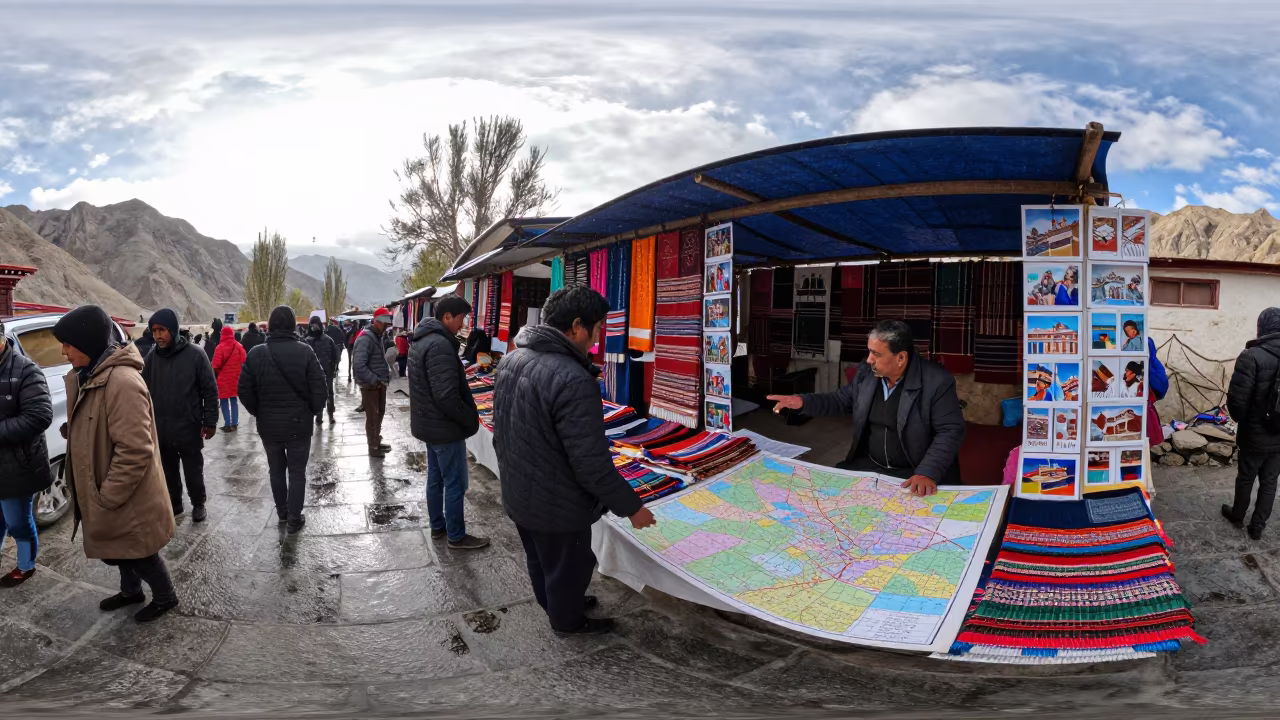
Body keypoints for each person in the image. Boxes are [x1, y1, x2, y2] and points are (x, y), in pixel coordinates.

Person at [494, 286, 656, 635]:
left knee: (541, 560)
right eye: (598, 329)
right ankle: (567, 621)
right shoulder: (572, 378)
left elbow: (502, 432)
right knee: (568, 564)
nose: (598, 338)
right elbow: (591, 463)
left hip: (521, 491)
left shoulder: (512, 360)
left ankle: (557, 603)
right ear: (578, 326)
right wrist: (632, 507)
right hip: (557, 502)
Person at [53, 305, 179, 622]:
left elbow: (135, 448)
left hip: (127, 493)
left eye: (68, 343)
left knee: (141, 550)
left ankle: (166, 597)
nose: (63, 351)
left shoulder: (122, 382)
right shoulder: (88, 376)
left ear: (87, 344)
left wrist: (108, 494)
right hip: (105, 484)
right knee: (121, 547)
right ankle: (131, 591)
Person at [768, 320, 965, 495]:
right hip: (871, 464)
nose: (869, 359)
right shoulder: (867, 373)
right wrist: (802, 402)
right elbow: (841, 400)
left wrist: (927, 472)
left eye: (876, 354)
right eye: (869, 351)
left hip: (913, 470)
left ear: (901, 358)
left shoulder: (937, 381)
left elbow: (950, 430)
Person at [238, 306, 327, 533]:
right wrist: (313, 411)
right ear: (292, 325)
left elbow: (244, 389)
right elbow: (320, 387)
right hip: (299, 424)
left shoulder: (256, 354)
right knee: (297, 472)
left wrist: (258, 411)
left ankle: (283, 512)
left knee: (276, 470)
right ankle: (295, 519)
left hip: (269, 425)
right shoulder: (305, 351)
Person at [408, 296, 488, 550]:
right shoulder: (440, 345)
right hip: (444, 428)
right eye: (461, 319)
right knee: (454, 483)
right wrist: (468, 418)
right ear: (447, 318)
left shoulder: (422, 341)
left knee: (436, 478)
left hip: (430, 425)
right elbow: (446, 396)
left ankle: (438, 527)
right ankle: (456, 535)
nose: (462, 325)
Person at [142, 309, 218, 522]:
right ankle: (175, 504)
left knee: (193, 470)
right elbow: (143, 392)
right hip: (162, 429)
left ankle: (198, 503)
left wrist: (210, 421)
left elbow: (209, 390)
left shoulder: (196, 355)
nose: (157, 335)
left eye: (162, 330)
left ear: (173, 330)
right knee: (168, 471)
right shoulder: (151, 359)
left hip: (189, 426)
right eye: (154, 330)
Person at [0, 320, 54, 586]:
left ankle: (25, 565)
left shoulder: (26, 370)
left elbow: (39, 416)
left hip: (17, 464)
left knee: (18, 522)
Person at [1223, 307, 1280, 540]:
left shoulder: (1252, 355)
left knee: (1246, 475)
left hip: (1254, 431)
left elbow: (1238, 400)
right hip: (1279, 433)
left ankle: (1238, 515)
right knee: (1270, 480)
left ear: (1262, 326)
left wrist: (1241, 420)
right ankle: (1257, 526)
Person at [353, 308, 393, 457]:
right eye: (384, 325)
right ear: (377, 322)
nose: (386, 328)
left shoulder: (376, 337)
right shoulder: (365, 338)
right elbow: (359, 365)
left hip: (377, 384)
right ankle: (373, 447)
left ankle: (376, 440)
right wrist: (374, 380)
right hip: (370, 386)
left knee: (379, 414)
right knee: (372, 417)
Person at [211, 324, 247, 432]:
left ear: (222, 335)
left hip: (223, 380)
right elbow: (244, 361)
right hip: (236, 378)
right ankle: (234, 423)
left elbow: (215, 365)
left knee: (224, 401)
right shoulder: (239, 346)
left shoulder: (219, 347)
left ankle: (227, 424)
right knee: (234, 400)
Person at [304, 316, 339, 425]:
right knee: (319, 394)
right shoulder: (307, 341)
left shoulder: (328, 340)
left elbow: (335, 357)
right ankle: (319, 417)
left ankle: (330, 415)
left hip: (325, 372)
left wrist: (333, 369)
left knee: (327, 394)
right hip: (314, 374)